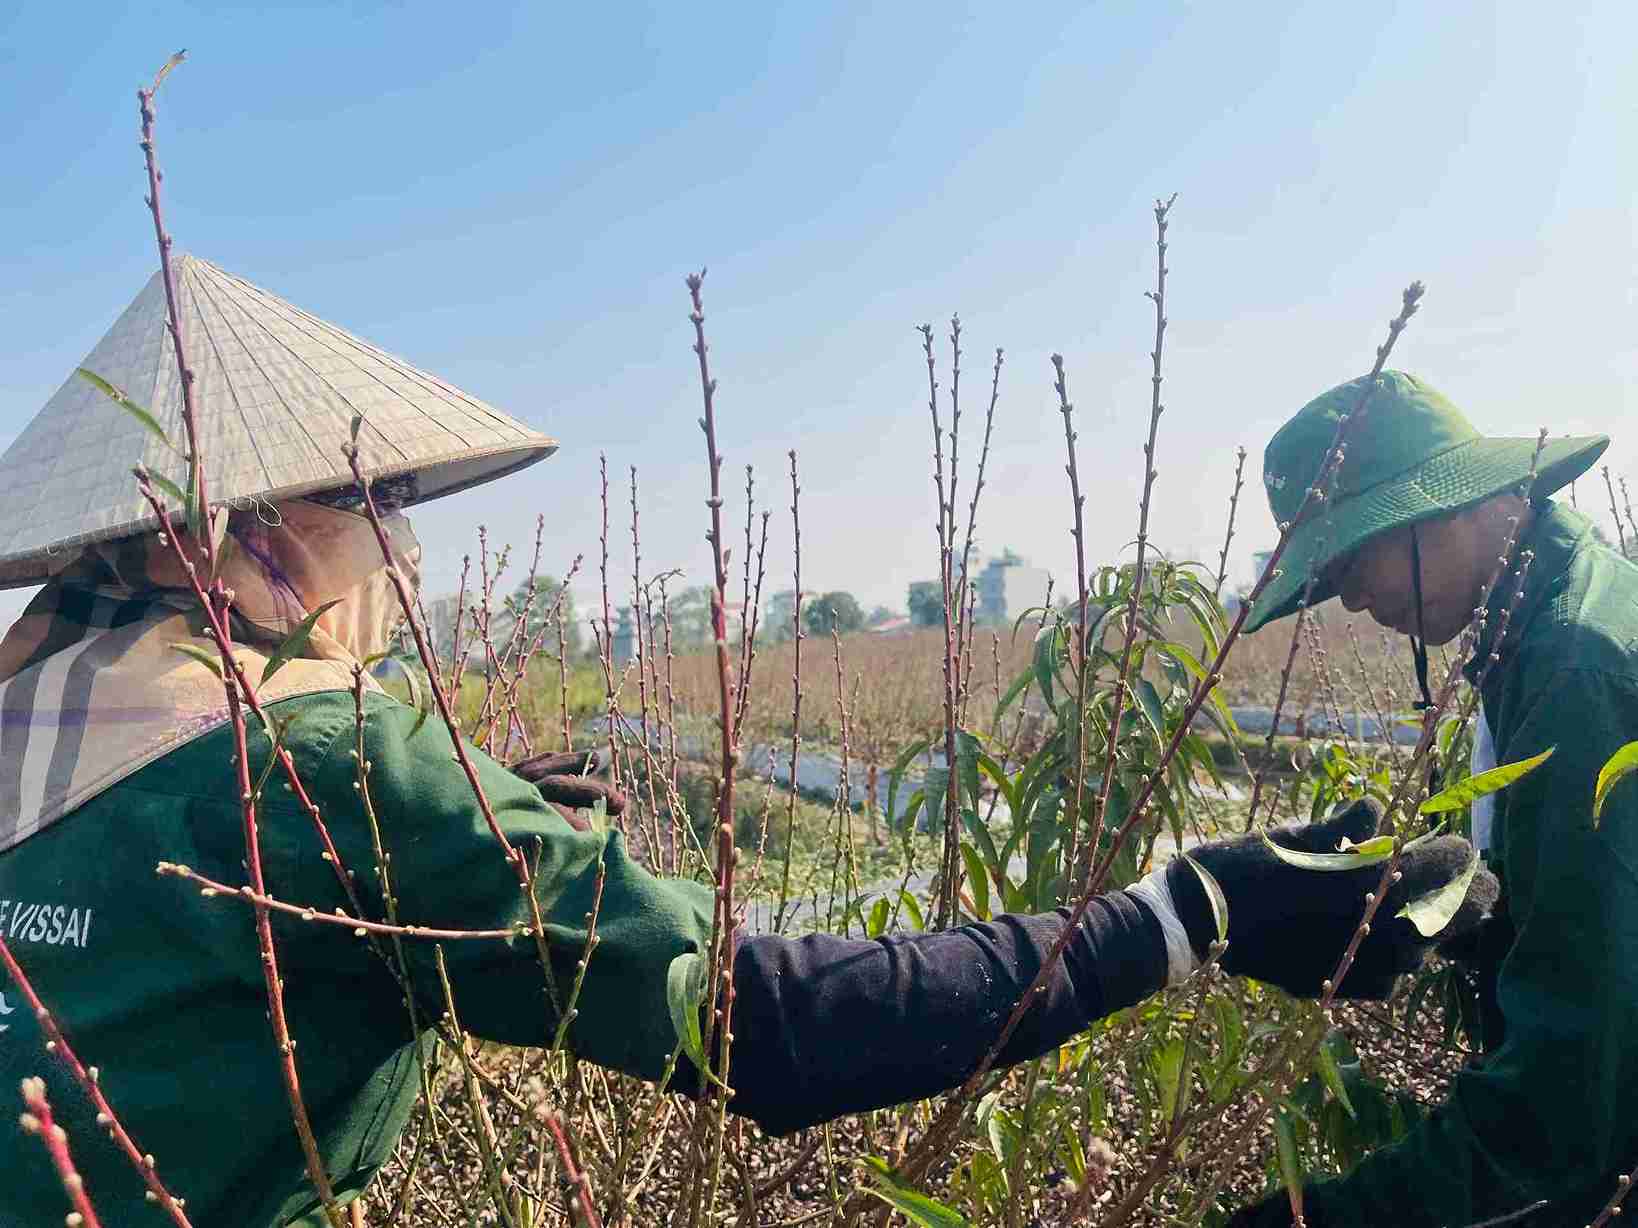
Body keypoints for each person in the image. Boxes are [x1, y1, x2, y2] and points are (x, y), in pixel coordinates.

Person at [0, 263, 1495, 1226]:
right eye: (378, 510)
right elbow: (762, 1022)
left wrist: (486, 845)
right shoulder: (325, 769)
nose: (400, 553)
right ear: (261, 539)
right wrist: (1183, 914)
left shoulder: (38, 713)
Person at [1229, 371, 1638, 1227]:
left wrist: (1331, 1219)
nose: (1352, 597)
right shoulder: (1539, 623)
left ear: (1443, 503)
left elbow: (1567, 1098)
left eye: (1355, 556)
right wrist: (1457, 912)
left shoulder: (1571, 668)